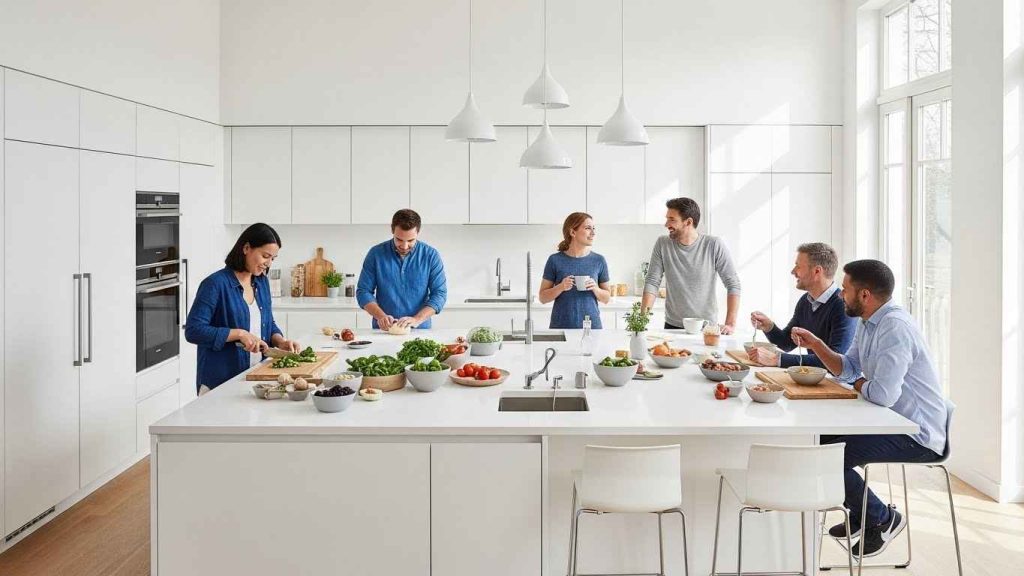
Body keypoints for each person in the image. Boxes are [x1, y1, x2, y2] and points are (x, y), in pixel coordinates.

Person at [790, 260, 947, 559]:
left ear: (864, 295)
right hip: (890, 422)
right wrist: (817, 345)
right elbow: (849, 369)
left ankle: (883, 519)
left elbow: (883, 395)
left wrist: (861, 383)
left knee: (826, 458)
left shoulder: (895, 328)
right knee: (819, 442)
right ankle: (861, 513)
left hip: (916, 434)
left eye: (845, 289)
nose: (840, 295)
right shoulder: (870, 321)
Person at [185, 223, 299, 395]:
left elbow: (267, 322)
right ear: (246, 248)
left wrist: (279, 341)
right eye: (265, 256)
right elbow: (193, 331)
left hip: (254, 378)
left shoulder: (261, 282)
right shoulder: (215, 284)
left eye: (273, 259)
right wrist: (239, 334)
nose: (268, 264)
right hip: (219, 384)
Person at [641, 197, 741, 333]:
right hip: (673, 326)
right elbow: (652, 281)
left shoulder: (713, 245)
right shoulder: (663, 244)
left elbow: (733, 284)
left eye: (672, 219)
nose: (666, 224)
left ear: (688, 222)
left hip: (707, 327)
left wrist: (730, 324)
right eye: (667, 218)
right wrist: (642, 321)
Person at [748, 242, 856, 367]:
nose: (793, 271)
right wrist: (769, 327)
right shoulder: (806, 301)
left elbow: (836, 361)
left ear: (817, 271)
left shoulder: (843, 306)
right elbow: (787, 343)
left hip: (839, 384)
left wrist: (777, 359)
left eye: (798, 266)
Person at [356, 209, 447, 330]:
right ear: (392, 230)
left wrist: (417, 319)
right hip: (384, 330)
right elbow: (363, 291)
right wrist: (381, 316)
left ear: (418, 233)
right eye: (399, 239)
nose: (404, 246)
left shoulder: (431, 255)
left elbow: (439, 294)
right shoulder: (376, 254)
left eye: (410, 240)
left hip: (419, 331)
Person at [538, 212, 612, 328]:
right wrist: (561, 287)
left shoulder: (599, 260)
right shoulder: (555, 260)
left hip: (591, 327)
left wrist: (595, 289)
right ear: (573, 232)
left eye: (593, 228)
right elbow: (543, 298)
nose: (593, 233)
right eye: (588, 228)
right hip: (561, 327)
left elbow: (607, 298)